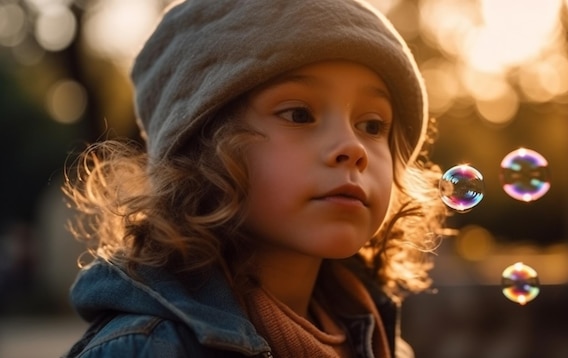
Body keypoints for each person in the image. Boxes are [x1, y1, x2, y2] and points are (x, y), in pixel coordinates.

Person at [62, 0, 448, 357]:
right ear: (198, 151)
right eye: (299, 114)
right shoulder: (148, 349)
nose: (353, 147)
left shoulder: (384, 340)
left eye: (372, 124)